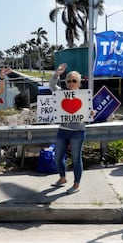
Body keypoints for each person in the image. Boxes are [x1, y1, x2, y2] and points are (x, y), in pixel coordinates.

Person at [49, 63, 90, 194]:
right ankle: (62, 178)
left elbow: (89, 112)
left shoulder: (84, 96)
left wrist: (91, 113)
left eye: (74, 81)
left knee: (77, 159)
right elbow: (51, 86)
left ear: (78, 83)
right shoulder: (61, 93)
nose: (71, 83)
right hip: (63, 130)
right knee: (57, 157)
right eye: (68, 81)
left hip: (78, 132)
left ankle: (76, 184)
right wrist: (57, 74)